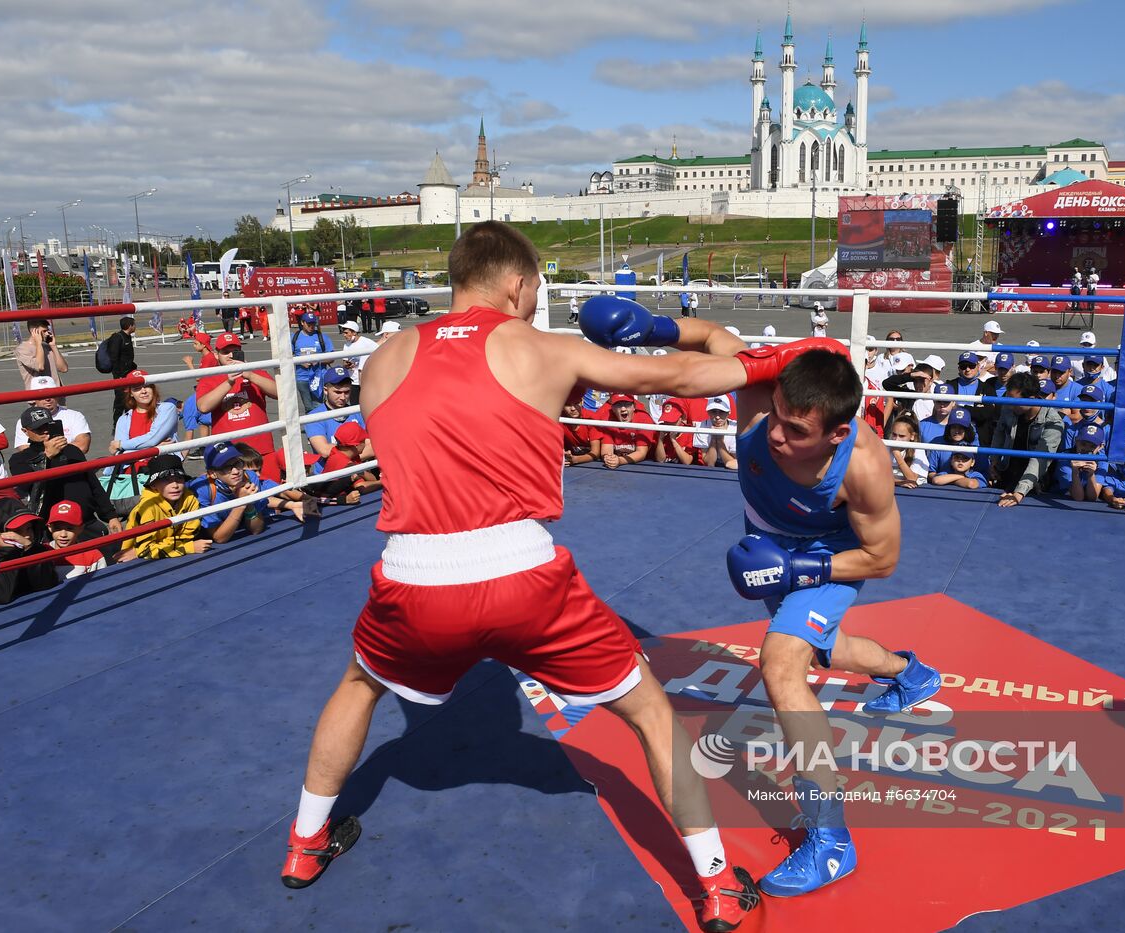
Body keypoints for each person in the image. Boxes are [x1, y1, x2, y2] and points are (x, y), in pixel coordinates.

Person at [284, 222, 774, 931]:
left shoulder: (383, 358)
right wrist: (775, 362)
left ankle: (304, 843)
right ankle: (721, 887)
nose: (534, 300)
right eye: (536, 288)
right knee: (649, 712)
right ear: (516, 283)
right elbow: (680, 377)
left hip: (411, 570)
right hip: (519, 568)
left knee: (359, 684)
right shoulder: (539, 347)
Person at [593, 295, 941, 900]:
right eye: (775, 417)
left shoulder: (863, 465)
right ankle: (909, 672)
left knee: (782, 666)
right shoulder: (764, 391)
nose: (774, 435)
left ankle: (832, 842)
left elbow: (882, 559)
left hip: (829, 557)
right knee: (822, 651)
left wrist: (800, 566)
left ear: (837, 432)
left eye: (797, 431)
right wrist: (651, 327)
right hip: (767, 546)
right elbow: (712, 336)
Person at [10, 407, 120, 535]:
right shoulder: (19, 459)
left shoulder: (72, 451)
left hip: (86, 523)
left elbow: (94, 484)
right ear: (25, 431)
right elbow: (29, 487)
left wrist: (111, 516)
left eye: (48, 425)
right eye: (38, 428)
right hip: (53, 529)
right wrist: (46, 457)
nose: (45, 430)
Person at [196, 333, 281, 471]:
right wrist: (229, 382)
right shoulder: (209, 377)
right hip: (227, 452)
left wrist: (250, 375)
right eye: (225, 352)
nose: (230, 356)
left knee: (269, 488)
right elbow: (203, 407)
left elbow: (281, 393)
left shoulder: (255, 371)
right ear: (216, 355)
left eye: (234, 351)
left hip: (261, 448)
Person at [989, 372, 1064, 508]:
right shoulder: (1009, 407)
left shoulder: (1053, 421)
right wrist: (993, 462)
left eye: (1015, 402)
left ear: (1031, 398)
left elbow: (1040, 459)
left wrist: (1019, 493)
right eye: (1009, 400)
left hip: (1035, 483)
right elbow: (999, 432)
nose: (1010, 405)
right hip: (1007, 475)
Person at [119, 454, 209, 560]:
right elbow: (145, 550)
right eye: (166, 480)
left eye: (179, 478)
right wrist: (187, 548)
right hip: (135, 561)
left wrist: (168, 546)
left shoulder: (190, 500)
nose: (175, 485)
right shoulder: (147, 508)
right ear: (153, 485)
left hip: (164, 555)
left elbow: (188, 536)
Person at [108, 371, 179, 467]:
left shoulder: (167, 409)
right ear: (131, 393)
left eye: (147, 386)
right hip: (132, 474)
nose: (143, 391)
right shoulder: (123, 419)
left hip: (162, 470)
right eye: (137, 388)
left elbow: (153, 439)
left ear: (153, 388)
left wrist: (121, 445)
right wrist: (154, 450)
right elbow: (119, 455)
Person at [13, 376, 92, 453]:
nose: (48, 399)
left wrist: (51, 451)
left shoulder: (74, 416)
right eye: (42, 395)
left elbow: (82, 446)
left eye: (51, 393)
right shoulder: (24, 421)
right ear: (33, 397)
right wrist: (53, 451)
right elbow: (25, 451)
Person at [45, 499, 107, 578]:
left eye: (69, 528)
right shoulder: (41, 551)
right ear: (50, 528)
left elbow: (102, 582)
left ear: (81, 528)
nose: (63, 534)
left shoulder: (93, 555)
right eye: (57, 528)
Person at [291, 312, 335, 406]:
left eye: (313, 323)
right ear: (302, 323)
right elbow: (287, 357)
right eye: (308, 323)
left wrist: (318, 361)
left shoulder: (322, 337)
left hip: (319, 377)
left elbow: (331, 358)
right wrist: (299, 362)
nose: (311, 326)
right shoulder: (294, 337)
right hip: (302, 378)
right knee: (308, 407)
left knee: (319, 406)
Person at [15, 318, 69, 389]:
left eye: (47, 330)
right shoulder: (22, 349)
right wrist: (38, 343)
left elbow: (64, 369)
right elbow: (40, 366)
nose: (47, 333)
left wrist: (53, 346)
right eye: (44, 331)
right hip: (39, 396)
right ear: (33, 331)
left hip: (56, 394)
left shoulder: (47, 347)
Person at [103, 317, 137, 422]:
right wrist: (118, 376)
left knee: (129, 399)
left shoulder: (128, 337)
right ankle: (116, 424)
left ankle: (129, 421)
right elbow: (114, 358)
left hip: (129, 373)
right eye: (134, 324)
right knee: (120, 401)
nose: (135, 327)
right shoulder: (118, 338)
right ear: (130, 326)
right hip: (120, 376)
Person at [695, 396, 737, 468]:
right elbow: (709, 463)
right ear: (708, 412)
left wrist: (720, 441)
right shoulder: (701, 426)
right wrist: (714, 438)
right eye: (714, 411)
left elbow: (732, 464)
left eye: (722, 412)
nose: (717, 417)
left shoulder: (736, 427)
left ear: (729, 412)